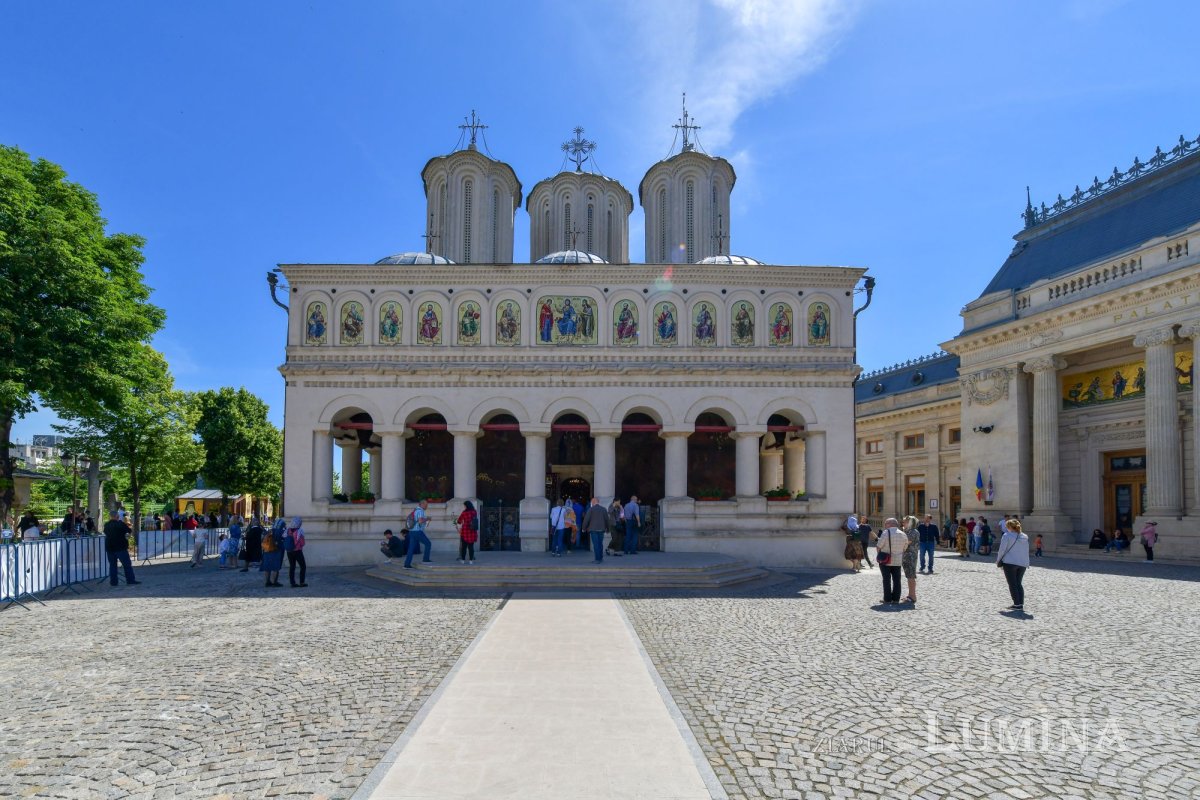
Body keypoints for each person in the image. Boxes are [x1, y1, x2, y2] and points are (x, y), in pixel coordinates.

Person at [996, 518, 1030, 611]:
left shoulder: (1007, 535)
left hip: (1010, 562)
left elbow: (1002, 550)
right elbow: (1026, 551)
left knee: (1012, 584)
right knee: (1019, 583)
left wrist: (998, 560)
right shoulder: (1025, 536)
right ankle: (1020, 603)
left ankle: (1016, 604)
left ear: (1009, 527)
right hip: (1022, 563)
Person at [103, 510, 139, 587]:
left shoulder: (107, 525)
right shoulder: (120, 524)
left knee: (112, 565)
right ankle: (130, 580)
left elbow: (105, 532)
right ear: (117, 516)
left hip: (110, 548)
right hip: (120, 547)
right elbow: (129, 531)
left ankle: (113, 582)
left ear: (110, 516)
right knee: (127, 565)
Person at [875, 518, 905, 604]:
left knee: (886, 579)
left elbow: (878, 546)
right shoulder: (902, 533)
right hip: (898, 560)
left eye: (886, 523)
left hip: (886, 560)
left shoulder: (886, 532)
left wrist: (880, 555)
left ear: (891, 524)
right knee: (897, 580)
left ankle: (887, 599)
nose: (885, 525)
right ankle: (896, 599)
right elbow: (905, 546)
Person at [403, 500, 432, 569]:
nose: (426, 506)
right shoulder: (420, 511)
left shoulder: (415, 510)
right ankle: (426, 559)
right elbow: (420, 521)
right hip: (417, 531)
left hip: (412, 531)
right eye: (425, 505)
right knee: (428, 543)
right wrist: (427, 518)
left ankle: (407, 564)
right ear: (421, 504)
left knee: (411, 548)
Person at [581, 497, 610, 563]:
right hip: (602, 529)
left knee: (596, 544)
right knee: (600, 544)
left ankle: (597, 559)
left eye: (591, 502)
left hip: (593, 529)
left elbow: (586, 520)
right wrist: (608, 529)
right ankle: (600, 558)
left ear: (593, 502)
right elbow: (607, 520)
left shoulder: (591, 509)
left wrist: (583, 528)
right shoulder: (603, 509)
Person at [900, 515, 920, 603]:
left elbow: (906, 543)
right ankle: (910, 595)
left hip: (910, 556)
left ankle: (913, 596)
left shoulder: (913, 532)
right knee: (909, 576)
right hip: (906, 556)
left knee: (911, 576)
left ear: (909, 522)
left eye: (904, 522)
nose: (902, 523)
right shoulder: (907, 531)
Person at [260, 519, 285, 587]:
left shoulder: (269, 531)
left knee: (267, 567)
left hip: (267, 551)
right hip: (276, 550)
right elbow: (283, 540)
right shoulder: (282, 531)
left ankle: (267, 581)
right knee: (276, 567)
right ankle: (274, 582)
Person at [284, 516, 307, 587]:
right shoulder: (299, 531)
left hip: (289, 551)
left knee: (292, 566)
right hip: (297, 551)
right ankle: (302, 582)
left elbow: (284, 538)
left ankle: (292, 583)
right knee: (303, 566)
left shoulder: (287, 530)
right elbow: (302, 542)